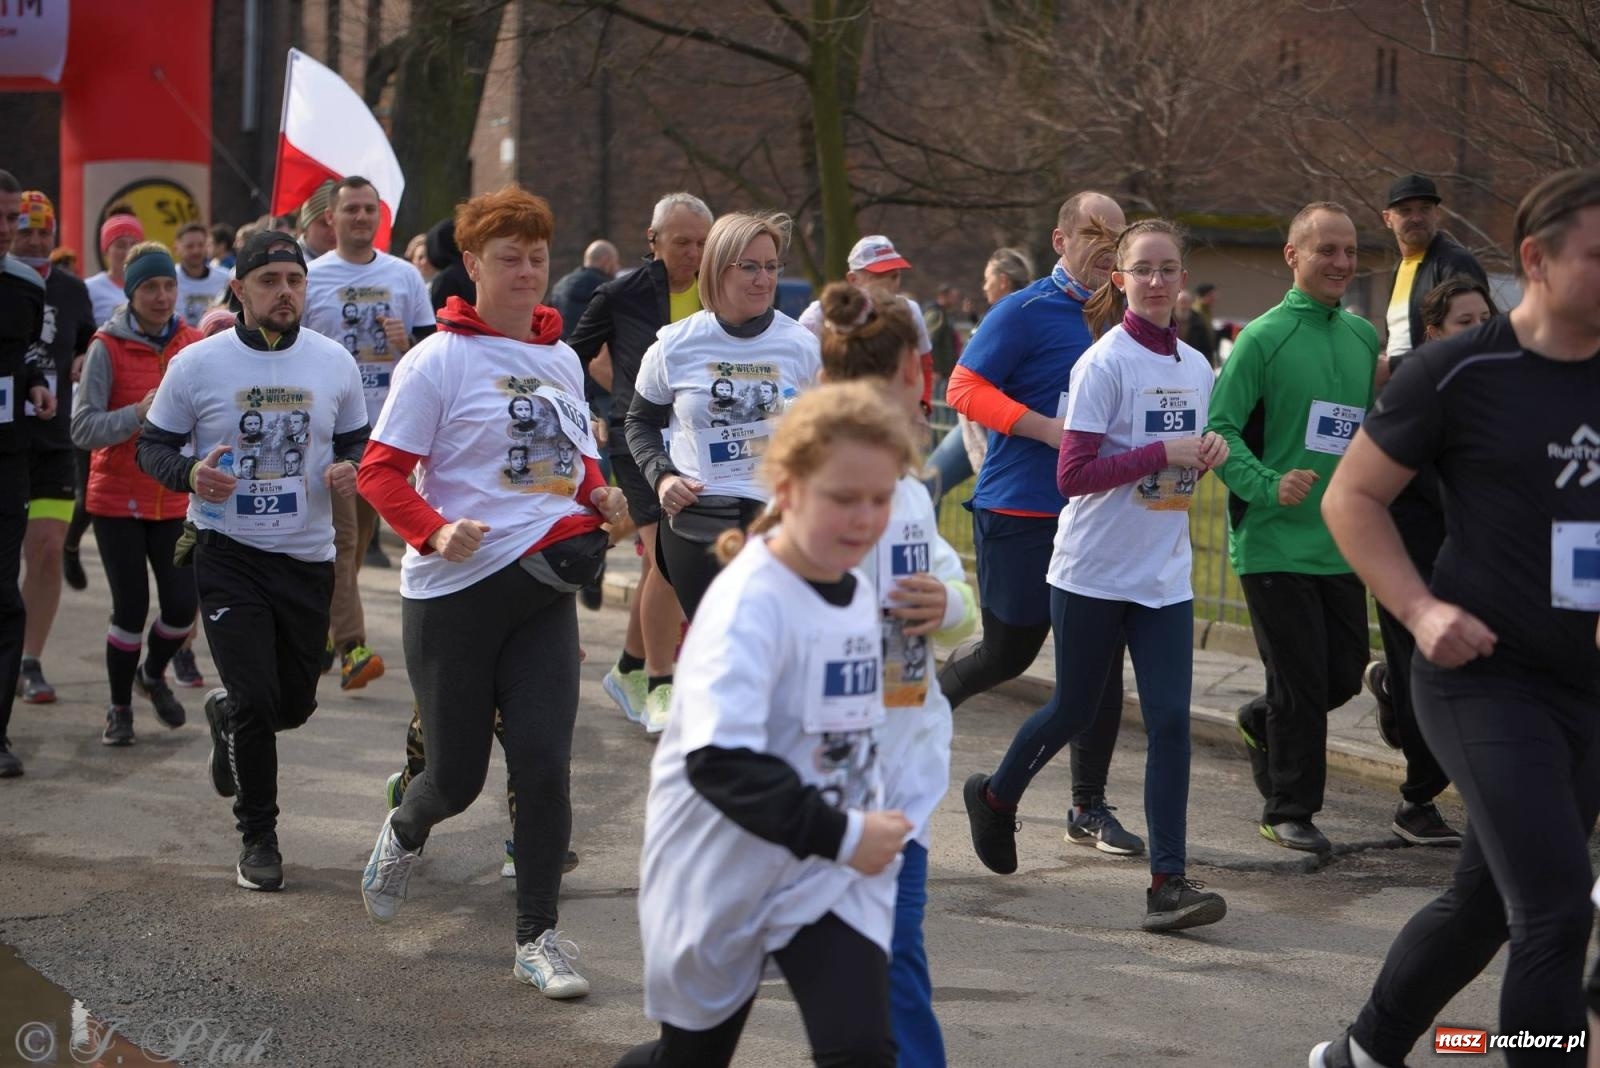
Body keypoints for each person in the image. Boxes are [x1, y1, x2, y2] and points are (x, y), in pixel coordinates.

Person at [1312, 166, 1600, 1068]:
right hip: (1483, 678)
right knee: (1555, 906)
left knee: (1484, 905)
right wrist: (1422, 609)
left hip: (1586, 687)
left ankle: (1364, 1052)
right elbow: (1351, 499)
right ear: (1536, 260)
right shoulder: (1459, 371)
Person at [357, 185, 627, 998]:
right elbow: (380, 474)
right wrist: (436, 529)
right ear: (472, 265)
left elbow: (569, 460)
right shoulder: (436, 361)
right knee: (457, 778)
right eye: (509, 259)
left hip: (541, 590)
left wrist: (600, 494)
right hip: (455, 594)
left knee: (545, 766)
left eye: (537, 258)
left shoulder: (558, 360)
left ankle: (538, 939)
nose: (526, 272)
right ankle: (406, 828)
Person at [615, 382, 918, 1068]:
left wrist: (872, 818)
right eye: (843, 498)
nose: (864, 518)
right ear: (785, 486)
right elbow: (718, 761)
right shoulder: (749, 602)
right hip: (723, 866)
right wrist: (844, 832)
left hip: (823, 876)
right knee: (689, 1061)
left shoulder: (856, 589)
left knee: (862, 1053)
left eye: (880, 498)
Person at [962, 219, 1230, 932]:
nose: (1156, 280)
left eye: (1168, 268)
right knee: (1076, 708)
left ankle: (1168, 884)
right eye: (1142, 269)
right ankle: (995, 796)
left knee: (1171, 718)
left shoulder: (1198, 367)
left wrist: (1206, 450)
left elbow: (1181, 454)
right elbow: (1072, 474)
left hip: (1164, 573)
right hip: (1090, 571)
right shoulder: (1103, 364)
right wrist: (1159, 452)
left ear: (1181, 277)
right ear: (1120, 280)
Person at [135, 230, 368, 891]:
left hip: (306, 555)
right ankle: (259, 836)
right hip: (227, 552)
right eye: (269, 281)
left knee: (292, 705)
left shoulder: (333, 362)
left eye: (294, 280)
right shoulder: (197, 364)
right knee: (257, 701)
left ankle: (228, 717)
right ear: (239, 290)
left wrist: (350, 465)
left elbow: (357, 438)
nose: (285, 292)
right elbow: (151, 446)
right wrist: (189, 476)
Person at [941, 191, 1142, 858]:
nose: (1106, 244)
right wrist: (1048, 430)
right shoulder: (1025, 310)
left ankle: (1087, 806)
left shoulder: (1126, 318)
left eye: (1116, 234)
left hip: (1093, 515)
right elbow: (963, 387)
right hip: (1020, 510)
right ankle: (919, 707)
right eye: (1092, 231)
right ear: (1061, 240)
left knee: (1099, 667)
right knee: (1010, 652)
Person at [816, 282, 978, 1066]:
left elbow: (965, 607)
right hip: (828, 779)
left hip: (904, 772)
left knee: (890, 956)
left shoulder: (912, 496)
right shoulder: (808, 503)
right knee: (857, 966)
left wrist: (942, 600)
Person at [1208, 202, 1378, 854]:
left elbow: (1360, 433)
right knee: (1302, 682)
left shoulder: (1362, 339)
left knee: (1342, 674)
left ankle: (1260, 720)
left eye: (1348, 251)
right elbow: (1218, 430)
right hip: (1272, 540)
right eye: (1325, 250)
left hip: (1338, 539)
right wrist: (1267, 485)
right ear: (1293, 256)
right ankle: (1289, 809)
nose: (1340, 263)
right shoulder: (1262, 337)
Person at [626, 210, 821, 636]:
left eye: (771, 267)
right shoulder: (675, 345)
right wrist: (661, 479)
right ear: (717, 269)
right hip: (699, 519)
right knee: (721, 646)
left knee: (774, 646)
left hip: (777, 520)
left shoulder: (802, 347)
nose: (763, 279)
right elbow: (639, 422)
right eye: (749, 267)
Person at [1362, 275, 1496, 849]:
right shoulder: (1414, 389)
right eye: (1465, 322)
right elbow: (1363, 489)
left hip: (1476, 560)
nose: (1480, 330)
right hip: (1410, 558)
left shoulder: (1503, 388)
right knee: (1433, 679)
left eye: (1486, 319)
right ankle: (1417, 802)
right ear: (1433, 331)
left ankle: (1390, 685)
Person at [568, 193, 708, 731]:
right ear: (653, 242)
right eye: (682, 243)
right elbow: (568, 357)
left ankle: (627, 667)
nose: (694, 253)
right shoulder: (619, 294)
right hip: (639, 441)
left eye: (702, 242)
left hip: (698, 445)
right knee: (668, 562)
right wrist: (586, 415)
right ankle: (658, 685)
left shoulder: (720, 292)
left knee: (658, 565)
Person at [303, 176, 434, 690]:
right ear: (330, 218)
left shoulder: (403, 276)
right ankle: (348, 642)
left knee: (353, 547)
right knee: (341, 540)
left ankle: (324, 628)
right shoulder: (312, 276)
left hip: (391, 429)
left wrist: (407, 344)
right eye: (350, 209)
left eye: (368, 210)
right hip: (332, 430)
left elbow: (431, 354)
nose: (360, 217)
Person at [70, 241, 203, 744]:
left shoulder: (190, 343)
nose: (162, 296)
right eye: (150, 286)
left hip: (172, 494)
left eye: (169, 285)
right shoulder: (106, 345)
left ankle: (152, 675)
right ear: (131, 291)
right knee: (129, 608)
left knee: (179, 607)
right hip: (116, 499)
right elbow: (82, 430)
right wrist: (137, 413)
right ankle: (119, 707)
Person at [12, 192, 94, 705]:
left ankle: (29, 661)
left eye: (45, 232)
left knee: (43, 552)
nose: (37, 241)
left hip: (53, 443)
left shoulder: (71, 289)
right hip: (6, 440)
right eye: (26, 232)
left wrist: (86, 356)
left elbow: (86, 339)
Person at [0, 169, 58, 778]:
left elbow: (18, 357)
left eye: (11, 218)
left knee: (5, 595)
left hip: (13, 455)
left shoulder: (24, 286)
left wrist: (38, 386)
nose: (8, 231)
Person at [797, 235, 934, 409]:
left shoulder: (909, 310)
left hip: (895, 413)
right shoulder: (818, 315)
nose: (888, 284)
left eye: (894, 276)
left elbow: (925, 362)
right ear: (853, 279)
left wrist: (923, 406)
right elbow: (799, 365)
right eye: (878, 276)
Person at [1379, 173, 1488, 365]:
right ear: (1387, 219)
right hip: (1408, 385)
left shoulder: (1456, 262)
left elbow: (1473, 338)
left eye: (1425, 209)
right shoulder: (1399, 268)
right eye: (1405, 211)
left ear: (1437, 213)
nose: (1416, 218)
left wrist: (1393, 367)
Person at [85, 213, 144, 326]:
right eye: (120, 245)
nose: (128, 252)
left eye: (133, 245)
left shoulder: (150, 287)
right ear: (106, 250)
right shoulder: (90, 289)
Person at [173, 222, 230, 327]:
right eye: (190, 246)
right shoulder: (169, 278)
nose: (196, 250)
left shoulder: (225, 278)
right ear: (177, 248)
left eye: (201, 245)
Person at [296, 180, 337, 262]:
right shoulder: (288, 264)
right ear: (306, 224)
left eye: (338, 224)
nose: (333, 232)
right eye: (325, 224)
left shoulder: (356, 261)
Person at [1184, 282, 1220, 366]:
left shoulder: (1206, 311)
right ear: (1204, 295)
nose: (1215, 298)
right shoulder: (1195, 314)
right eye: (1211, 295)